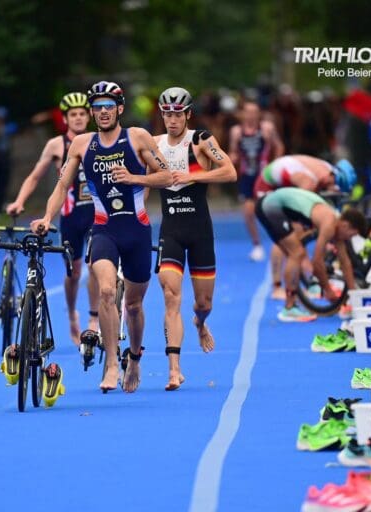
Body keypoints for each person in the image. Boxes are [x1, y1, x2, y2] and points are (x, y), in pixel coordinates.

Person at [31, 80, 172, 393]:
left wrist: (134, 177)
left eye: (109, 106)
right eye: (98, 107)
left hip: (136, 229)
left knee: (133, 306)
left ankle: (134, 358)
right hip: (104, 228)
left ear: (120, 109)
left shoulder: (137, 137)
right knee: (106, 291)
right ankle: (111, 361)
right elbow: (61, 186)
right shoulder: (81, 144)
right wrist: (46, 217)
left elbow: (166, 177)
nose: (103, 112)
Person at [153, 87, 236, 391]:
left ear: (187, 114)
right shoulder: (153, 144)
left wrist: (193, 176)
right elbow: (145, 181)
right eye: (166, 114)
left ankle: (200, 323)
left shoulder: (200, 139)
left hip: (200, 231)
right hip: (171, 231)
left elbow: (229, 171)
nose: (171, 120)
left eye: (177, 114)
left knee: (203, 302)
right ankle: (174, 369)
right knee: (170, 295)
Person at [6, 92, 99, 345]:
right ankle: (71, 314)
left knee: (95, 267)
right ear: (66, 119)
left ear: (89, 116)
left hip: (96, 214)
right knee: (74, 273)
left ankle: (93, 318)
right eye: (73, 115)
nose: (79, 118)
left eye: (82, 113)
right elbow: (35, 176)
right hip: (70, 217)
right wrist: (20, 201)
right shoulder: (56, 145)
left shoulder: (97, 140)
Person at [255, 187, 366, 322]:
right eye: (352, 235)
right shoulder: (329, 224)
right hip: (270, 206)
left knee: (293, 253)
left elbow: (345, 262)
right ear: (346, 226)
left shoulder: (338, 226)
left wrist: (354, 298)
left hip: (276, 206)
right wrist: (327, 290)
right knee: (297, 253)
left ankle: (291, 304)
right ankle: (289, 308)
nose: (349, 239)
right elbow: (317, 262)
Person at [253, 154, 357, 299]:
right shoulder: (308, 180)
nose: (332, 189)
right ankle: (278, 287)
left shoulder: (327, 170)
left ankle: (304, 283)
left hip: (284, 189)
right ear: (333, 176)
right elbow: (301, 210)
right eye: (332, 185)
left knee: (297, 243)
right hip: (267, 188)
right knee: (291, 240)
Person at [228, 100, 284, 261]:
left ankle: (281, 240)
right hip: (247, 176)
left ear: (258, 114)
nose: (251, 115)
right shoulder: (236, 131)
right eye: (248, 111)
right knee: (248, 212)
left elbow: (279, 146)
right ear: (243, 114)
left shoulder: (266, 128)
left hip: (264, 176)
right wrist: (231, 160)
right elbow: (233, 152)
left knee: (270, 211)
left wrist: (274, 165)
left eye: (254, 111)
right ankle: (257, 245)